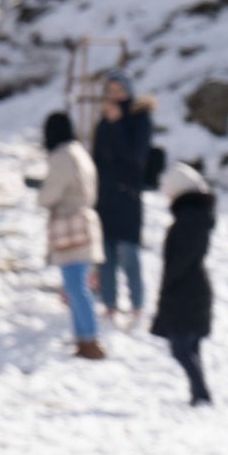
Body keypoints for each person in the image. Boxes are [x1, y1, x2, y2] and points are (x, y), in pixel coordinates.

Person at [89, 74, 161, 324]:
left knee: (129, 252)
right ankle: (109, 305)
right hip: (104, 195)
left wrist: (118, 124)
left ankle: (137, 305)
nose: (115, 94)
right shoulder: (104, 121)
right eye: (111, 89)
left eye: (119, 89)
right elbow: (98, 158)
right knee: (105, 253)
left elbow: (134, 155)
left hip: (128, 195)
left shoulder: (140, 119)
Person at [40, 108, 104, 360]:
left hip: (70, 223)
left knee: (76, 284)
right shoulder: (80, 152)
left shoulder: (61, 157)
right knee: (76, 283)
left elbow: (49, 194)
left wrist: (42, 195)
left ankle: (89, 337)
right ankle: (83, 337)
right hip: (85, 219)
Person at [151, 161, 214, 403]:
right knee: (191, 347)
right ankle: (198, 393)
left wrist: (167, 290)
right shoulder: (195, 217)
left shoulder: (189, 220)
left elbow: (179, 260)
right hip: (192, 289)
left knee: (181, 348)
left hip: (185, 293)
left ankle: (201, 393)